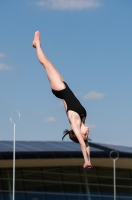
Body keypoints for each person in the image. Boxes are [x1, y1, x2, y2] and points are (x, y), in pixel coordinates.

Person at [32, 31, 92, 169]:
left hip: (59, 89)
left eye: (84, 135)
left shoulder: (75, 122)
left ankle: (37, 44)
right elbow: (87, 145)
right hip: (65, 87)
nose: (87, 133)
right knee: (50, 63)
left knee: (46, 64)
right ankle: (37, 47)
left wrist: (86, 161)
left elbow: (83, 144)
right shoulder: (82, 119)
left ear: (78, 134)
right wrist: (90, 159)